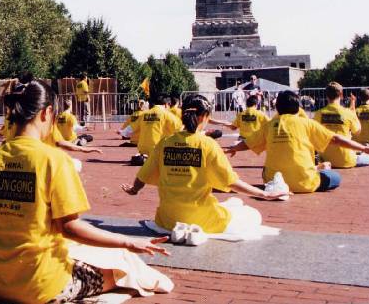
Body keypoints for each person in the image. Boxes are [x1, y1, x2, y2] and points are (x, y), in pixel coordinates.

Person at [0, 77, 173, 303]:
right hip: (40, 285)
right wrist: (128, 242)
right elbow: (70, 228)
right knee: (121, 273)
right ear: (46, 113)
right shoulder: (54, 160)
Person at [122, 96, 286, 240]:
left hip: (167, 220)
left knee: (232, 204)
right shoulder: (208, 144)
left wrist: (134, 190)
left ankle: (184, 228)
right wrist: (264, 194)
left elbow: (143, 175)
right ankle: (196, 229)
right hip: (202, 218)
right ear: (204, 117)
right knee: (253, 215)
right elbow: (230, 182)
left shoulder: (164, 143)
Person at [225, 91, 369, 193]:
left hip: (274, 181)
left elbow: (249, 143)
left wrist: (234, 149)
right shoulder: (307, 123)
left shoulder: (269, 125)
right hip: (305, 182)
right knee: (335, 178)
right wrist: (363, 148)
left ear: (278, 108)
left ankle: (314, 168)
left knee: (267, 169)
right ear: (297, 107)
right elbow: (335, 139)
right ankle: (316, 169)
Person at [313, 83, 369, 168]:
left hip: (326, 159)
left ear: (326, 96)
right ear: (341, 95)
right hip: (346, 160)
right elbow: (357, 132)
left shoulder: (318, 114)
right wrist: (354, 114)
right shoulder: (348, 113)